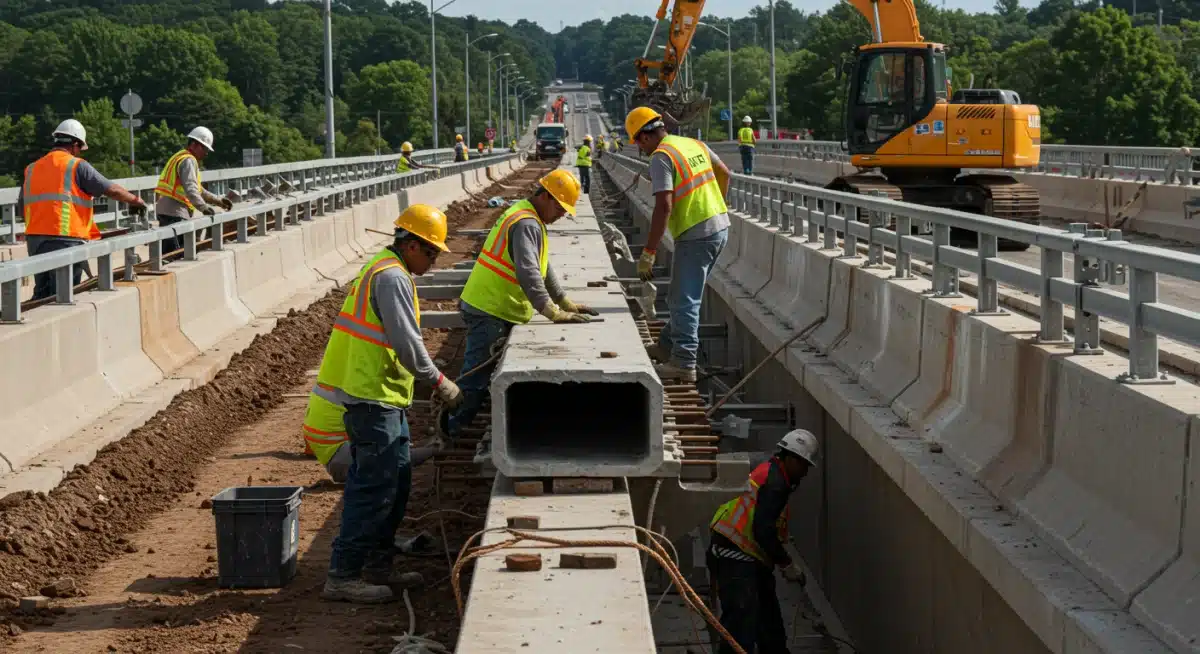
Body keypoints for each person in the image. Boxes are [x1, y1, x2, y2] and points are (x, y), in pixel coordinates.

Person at [315, 204, 465, 604]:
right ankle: (343, 575)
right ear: (411, 244)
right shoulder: (392, 276)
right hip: (370, 397)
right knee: (372, 488)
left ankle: (379, 567)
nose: (432, 262)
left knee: (396, 484)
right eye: (430, 253)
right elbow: (407, 342)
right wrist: (438, 381)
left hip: (383, 396)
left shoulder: (387, 268)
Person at [441, 169, 596, 439]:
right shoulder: (526, 223)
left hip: (496, 306)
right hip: (489, 308)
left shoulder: (529, 217)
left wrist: (564, 301)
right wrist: (552, 312)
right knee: (476, 378)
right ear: (546, 197)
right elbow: (529, 272)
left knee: (480, 373)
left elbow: (542, 267)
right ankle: (451, 430)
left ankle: (457, 424)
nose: (561, 215)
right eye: (560, 208)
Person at [625, 106, 732, 383]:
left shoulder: (661, 156)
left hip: (695, 234)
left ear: (644, 137)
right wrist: (716, 205)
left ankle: (684, 362)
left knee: (684, 300)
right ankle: (665, 345)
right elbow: (724, 173)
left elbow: (664, 205)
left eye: (637, 143)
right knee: (684, 293)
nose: (640, 149)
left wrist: (649, 252)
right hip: (719, 227)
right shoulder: (693, 143)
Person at [707, 430, 818, 654]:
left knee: (768, 623)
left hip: (747, 556)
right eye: (804, 465)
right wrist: (787, 564)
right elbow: (763, 530)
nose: (805, 472)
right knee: (740, 628)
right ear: (791, 459)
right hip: (735, 555)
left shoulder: (772, 471)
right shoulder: (776, 483)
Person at [17, 119, 147, 301]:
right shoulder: (76, 165)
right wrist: (136, 200)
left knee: (42, 293)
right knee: (64, 294)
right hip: (65, 238)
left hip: (35, 239)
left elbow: (21, 205)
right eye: (79, 148)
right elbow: (111, 190)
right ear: (75, 144)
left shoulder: (31, 168)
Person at [154, 126, 233, 255]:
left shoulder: (180, 156)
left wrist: (219, 201)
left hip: (168, 210)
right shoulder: (188, 161)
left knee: (171, 252)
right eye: (205, 148)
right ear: (194, 144)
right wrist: (203, 208)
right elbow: (191, 189)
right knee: (175, 254)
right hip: (175, 212)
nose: (206, 153)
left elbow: (198, 190)